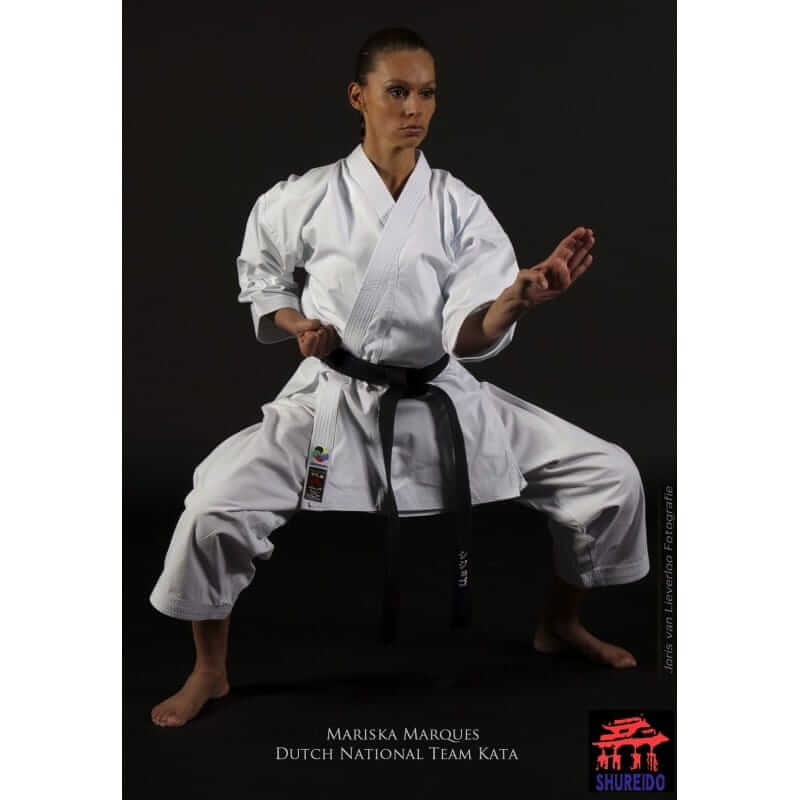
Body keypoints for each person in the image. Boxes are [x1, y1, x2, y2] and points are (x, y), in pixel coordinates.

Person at [149, 27, 649, 728]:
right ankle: (210, 669)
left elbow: (469, 328)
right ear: (359, 98)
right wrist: (299, 326)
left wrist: (516, 299)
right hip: (336, 402)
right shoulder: (307, 196)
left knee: (611, 475)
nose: (415, 108)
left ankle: (561, 623)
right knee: (214, 507)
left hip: (442, 399)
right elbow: (263, 277)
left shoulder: (458, 205)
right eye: (398, 91)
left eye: (428, 93)